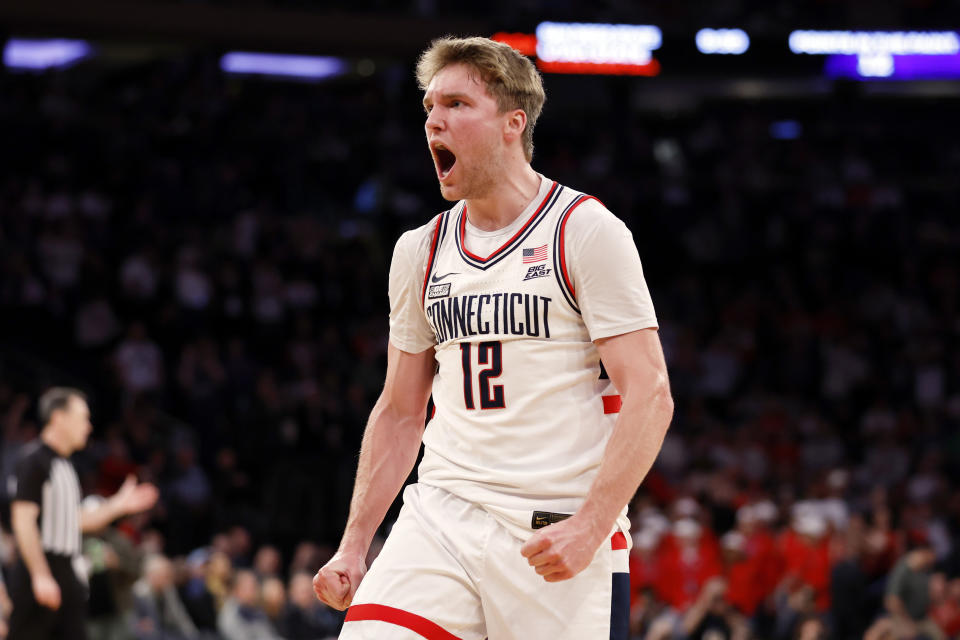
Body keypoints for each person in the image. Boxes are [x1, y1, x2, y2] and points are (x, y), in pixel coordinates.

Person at [312, 36, 673, 640]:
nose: (434, 122)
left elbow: (651, 393)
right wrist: (354, 544)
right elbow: (401, 411)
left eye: (455, 104)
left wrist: (591, 524)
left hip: (553, 527)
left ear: (514, 122)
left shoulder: (584, 231)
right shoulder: (419, 250)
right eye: (429, 107)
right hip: (443, 514)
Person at [7, 387, 159, 640]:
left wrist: (118, 506)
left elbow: (75, 522)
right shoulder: (34, 460)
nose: (88, 426)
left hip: (67, 574)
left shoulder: (66, 466)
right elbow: (23, 521)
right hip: (42, 571)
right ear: (59, 418)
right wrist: (41, 575)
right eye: (83, 417)